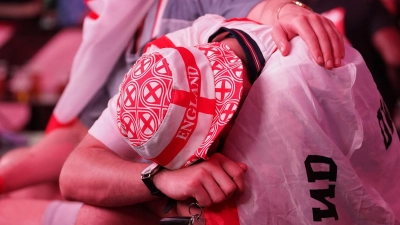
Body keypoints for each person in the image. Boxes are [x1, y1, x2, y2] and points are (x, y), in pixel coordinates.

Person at [60, 15, 400, 224]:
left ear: (233, 106)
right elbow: (74, 174)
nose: (208, 161)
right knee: (97, 217)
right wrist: (159, 178)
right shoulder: (164, 64)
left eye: (209, 148)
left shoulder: (289, 85)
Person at [0, 0, 343, 197]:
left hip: (182, 160)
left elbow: (258, 7)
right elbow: (81, 137)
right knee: (28, 184)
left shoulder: (182, 8)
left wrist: (286, 9)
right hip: (122, 150)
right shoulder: (113, 22)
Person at [301, 0, 400, 117]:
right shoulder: (364, 3)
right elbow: (394, 57)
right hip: (381, 113)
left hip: (335, 118)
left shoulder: (303, 15)